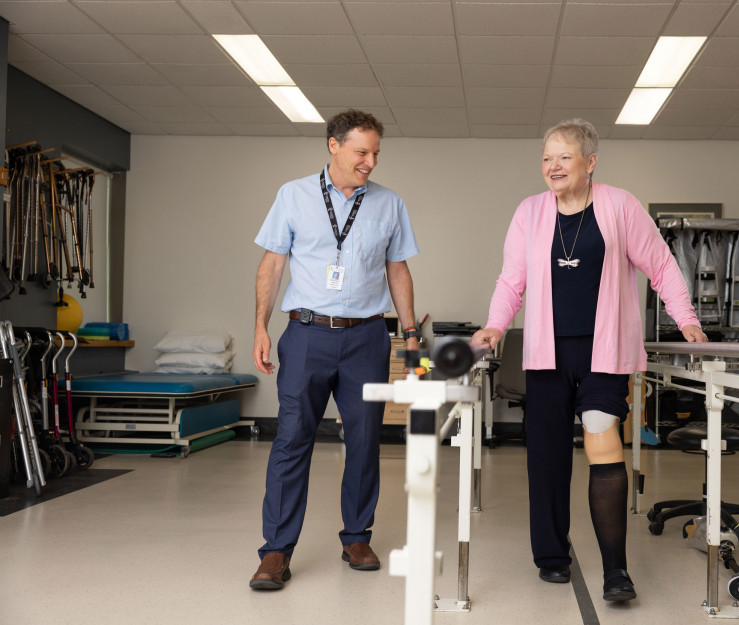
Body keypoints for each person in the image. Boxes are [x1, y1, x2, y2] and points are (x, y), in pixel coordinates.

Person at [472, 118, 707, 602]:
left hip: (603, 354)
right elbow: (510, 280)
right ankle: (552, 555)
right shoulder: (530, 213)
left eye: (564, 157)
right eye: (546, 158)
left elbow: (660, 265)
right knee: (548, 459)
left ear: (590, 162)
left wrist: (686, 319)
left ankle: (616, 571)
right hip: (545, 355)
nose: (553, 166)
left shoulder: (619, 205)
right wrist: (495, 325)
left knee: (605, 448)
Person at [250, 109, 420, 590]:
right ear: (334, 145)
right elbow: (271, 265)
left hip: (367, 337)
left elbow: (399, 272)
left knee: (366, 439)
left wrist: (412, 341)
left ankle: (357, 536)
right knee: (291, 440)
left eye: (375, 153)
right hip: (306, 335)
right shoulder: (293, 195)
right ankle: (276, 552)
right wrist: (260, 327)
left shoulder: (390, 204)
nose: (370, 162)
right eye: (361, 152)